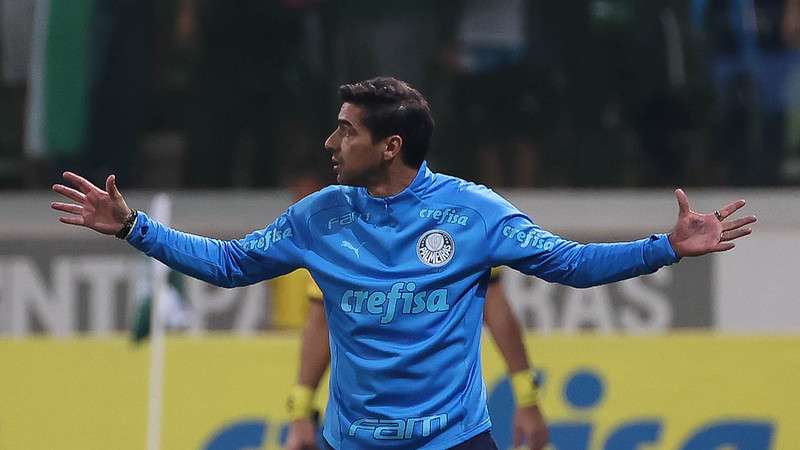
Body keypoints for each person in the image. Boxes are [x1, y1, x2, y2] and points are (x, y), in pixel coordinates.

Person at [51, 77, 756, 449]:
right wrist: (135, 228)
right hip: (352, 443)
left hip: (453, 443)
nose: (330, 142)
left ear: (390, 147)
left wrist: (666, 247)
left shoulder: (473, 214)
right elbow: (231, 264)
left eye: (347, 131)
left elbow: (568, 263)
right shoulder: (319, 217)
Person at [285, 269, 549, 450]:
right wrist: (300, 411)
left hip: (451, 431)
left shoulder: (463, 212)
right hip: (363, 432)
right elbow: (322, 320)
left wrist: (527, 397)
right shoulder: (337, 225)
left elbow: (494, 304)